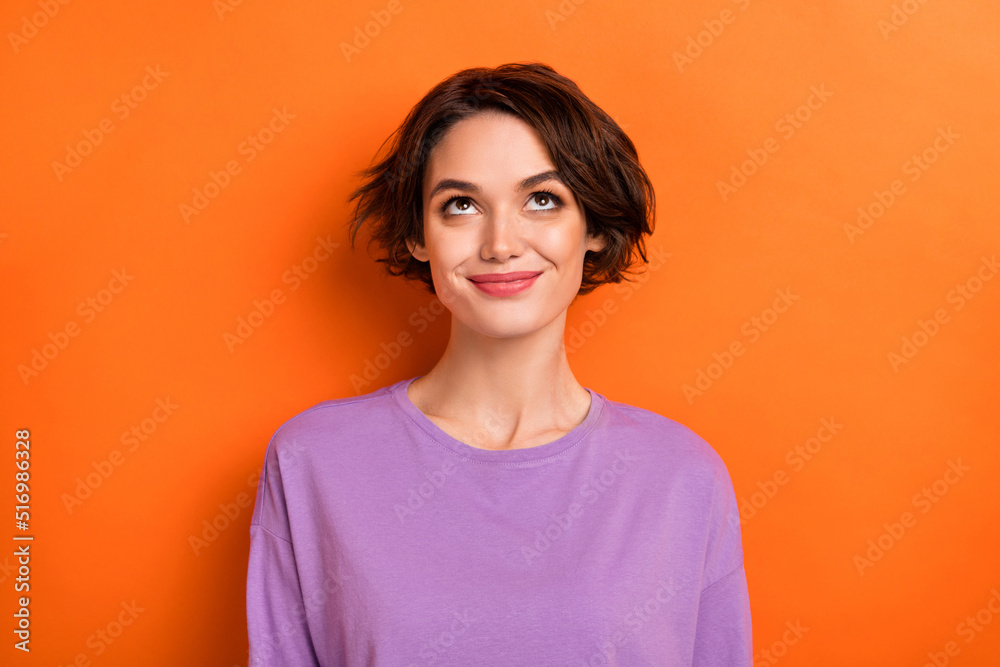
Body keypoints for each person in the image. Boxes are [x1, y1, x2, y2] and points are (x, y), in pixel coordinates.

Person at [246, 61, 752, 666]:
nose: (501, 243)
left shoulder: (682, 478)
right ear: (417, 235)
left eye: (542, 199)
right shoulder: (313, 462)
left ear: (591, 225)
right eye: (461, 205)